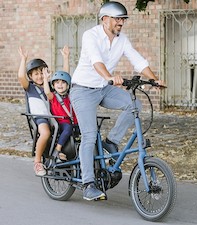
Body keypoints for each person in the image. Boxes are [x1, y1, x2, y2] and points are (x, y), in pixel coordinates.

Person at [70, 1, 165, 201]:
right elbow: (97, 61)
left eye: (123, 19)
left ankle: (111, 141)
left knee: (134, 105)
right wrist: (109, 77)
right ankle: (88, 184)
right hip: (83, 90)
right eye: (117, 19)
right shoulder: (91, 35)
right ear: (105, 19)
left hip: (103, 88)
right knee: (89, 135)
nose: (121, 23)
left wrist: (154, 79)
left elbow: (138, 61)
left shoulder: (122, 39)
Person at [18, 46, 70, 176]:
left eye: (42, 72)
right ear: (30, 76)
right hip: (40, 117)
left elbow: (64, 77)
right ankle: (37, 162)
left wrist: (65, 58)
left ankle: (60, 153)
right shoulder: (30, 88)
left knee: (70, 128)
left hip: (54, 117)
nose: (40, 76)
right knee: (45, 133)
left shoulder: (51, 86)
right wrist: (23, 59)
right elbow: (20, 77)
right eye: (36, 74)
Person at [43, 69, 78, 163]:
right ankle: (57, 150)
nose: (60, 85)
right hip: (60, 123)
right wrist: (45, 79)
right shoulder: (53, 97)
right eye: (57, 82)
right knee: (68, 128)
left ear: (68, 85)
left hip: (72, 122)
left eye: (63, 82)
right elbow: (47, 92)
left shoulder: (70, 96)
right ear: (53, 85)